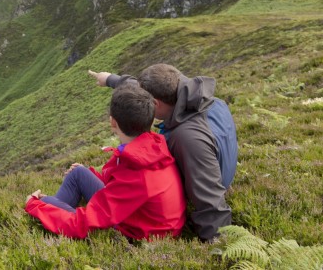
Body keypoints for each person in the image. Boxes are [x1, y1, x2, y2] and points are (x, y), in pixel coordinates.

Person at [88, 64, 238, 241]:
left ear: (155, 104)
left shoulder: (188, 139)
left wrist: (221, 249)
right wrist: (111, 79)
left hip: (190, 192)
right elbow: (145, 92)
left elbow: (210, 200)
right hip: (214, 169)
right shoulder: (209, 101)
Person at [24, 83, 186, 240]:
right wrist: (93, 175)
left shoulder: (137, 173)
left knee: (44, 203)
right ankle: (56, 212)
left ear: (112, 122)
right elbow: (123, 184)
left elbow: (82, 224)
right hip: (144, 219)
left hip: (137, 235)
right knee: (78, 173)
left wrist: (35, 205)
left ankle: (52, 215)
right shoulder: (152, 146)